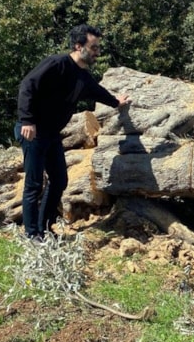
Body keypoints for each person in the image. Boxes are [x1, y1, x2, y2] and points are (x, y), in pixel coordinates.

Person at [15, 24, 129, 240]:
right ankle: (31, 234)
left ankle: (45, 228)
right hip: (34, 132)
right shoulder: (56, 64)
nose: (97, 52)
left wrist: (116, 102)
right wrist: (27, 120)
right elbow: (27, 85)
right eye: (94, 47)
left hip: (51, 135)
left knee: (59, 181)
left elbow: (97, 92)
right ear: (79, 46)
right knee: (34, 184)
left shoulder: (83, 76)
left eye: (98, 48)